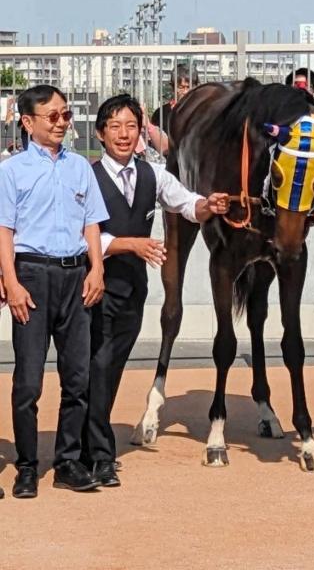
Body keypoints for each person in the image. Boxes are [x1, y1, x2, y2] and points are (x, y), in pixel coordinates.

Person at [81, 94, 230, 487]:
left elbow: (186, 204)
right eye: (115, 127)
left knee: (110, 367)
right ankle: (97, 453)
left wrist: (208, 206)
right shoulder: (86, 177)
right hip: (92, 286)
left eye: (131, 126)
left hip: (133, 290)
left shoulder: (152, 175)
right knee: (94, 366)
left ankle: (90, 445)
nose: (124, 134)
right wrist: (131, 244)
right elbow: (80, 236)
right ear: (100, 133)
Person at [0, 85, 109, 498]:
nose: (63, 122)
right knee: (28, 381)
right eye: (53, 116)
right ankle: (27, 465)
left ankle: (67, 461)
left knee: (77, 376)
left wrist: (96, 267)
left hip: (74, 276)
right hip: (32, 276)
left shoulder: (80, 167)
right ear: (28, 123)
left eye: (65, 115)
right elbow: (5, 232)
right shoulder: (11, 172)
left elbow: (91, 223)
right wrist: (10, 281)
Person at [151, 64, 198, 135]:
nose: (185, 92)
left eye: (189, 87)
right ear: (172, 87)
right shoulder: (160, 114)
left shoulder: (205, 112)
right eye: (181, 87)